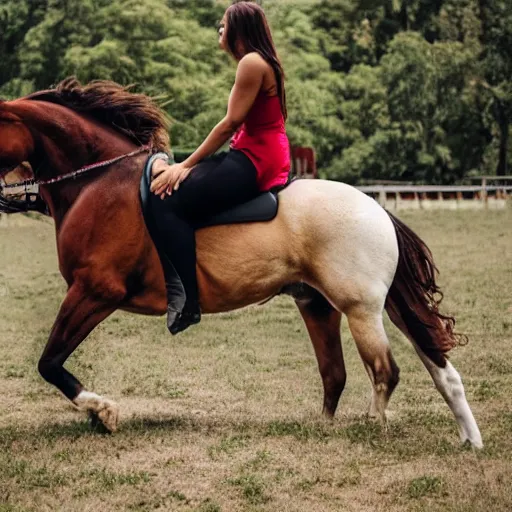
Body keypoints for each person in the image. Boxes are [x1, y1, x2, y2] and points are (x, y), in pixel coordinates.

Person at [148, 1, 290, 335]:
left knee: (166, 200)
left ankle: (189, 301)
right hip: (254, 152)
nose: (220, 30)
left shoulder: (252, 63)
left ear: (239, 29)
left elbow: (228, 125)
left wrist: (183, 165)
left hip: (256, 158)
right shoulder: (257, 61)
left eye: (224, 25)